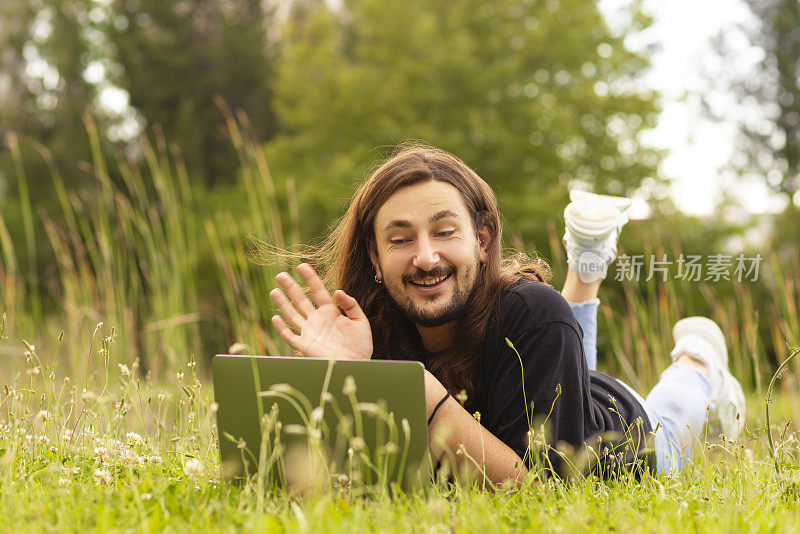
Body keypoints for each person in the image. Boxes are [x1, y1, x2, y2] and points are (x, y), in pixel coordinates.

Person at [267, 143, 745, 485]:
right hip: (552, 365)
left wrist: (422, 398)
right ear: (373, 257)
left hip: (617, 434)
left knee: (675, 413)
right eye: (400, 239)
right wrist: (355, 376)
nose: (426, 257)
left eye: (445, 231)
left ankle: (701, 359)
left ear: (482, 240)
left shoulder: (533, 314)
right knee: (560, 340)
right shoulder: (364, 330)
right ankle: (588, 261)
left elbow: (545, 493)